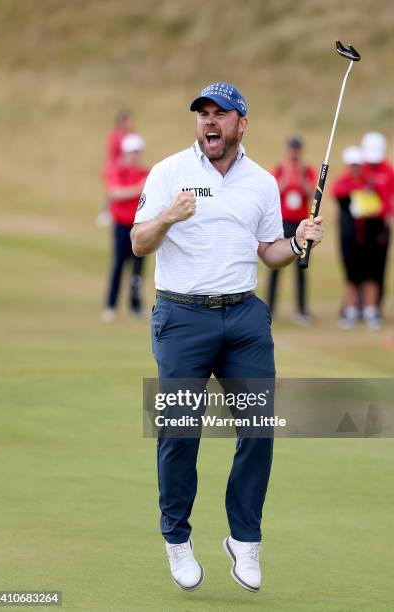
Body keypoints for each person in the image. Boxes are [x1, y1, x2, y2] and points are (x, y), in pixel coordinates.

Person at [131, 82, 323, 592]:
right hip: (181, 317)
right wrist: (169, 215)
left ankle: (244, 538)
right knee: (179, 433)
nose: (210, 122)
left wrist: (297, 241)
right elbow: (137, 241)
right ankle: (176, 538)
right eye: (203, 114)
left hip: (243, 319)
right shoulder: (169, 171)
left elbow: (270, 251)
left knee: (259, 428)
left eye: (221, 114)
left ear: (242, 123)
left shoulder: (261, 182)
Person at [267, 137, 316, 324]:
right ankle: (270, 309)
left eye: (297, 149)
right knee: (275, 266)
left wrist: (300, 177)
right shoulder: (280, 169)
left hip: (300, 223)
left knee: (301, 267)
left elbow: (310, 192)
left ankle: (301, 310)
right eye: (292, 149)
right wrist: (287, 178)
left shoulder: (306, 169)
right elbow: (274, 192)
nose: (294, 152)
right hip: (282, 222)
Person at [102, 134, 148, 322]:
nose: (134, 156)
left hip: (141, 226)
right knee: (119, 266)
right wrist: (138, 189)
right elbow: (115, 193)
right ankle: (110, 306)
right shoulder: (117, 172)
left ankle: (135, 307)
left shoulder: (145, 173)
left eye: (137, 152)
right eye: (131, 153)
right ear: (125, 153)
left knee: (138, 270)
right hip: (121, 227)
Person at [331, 146, 369, 328]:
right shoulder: (343, 183)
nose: (355, 168)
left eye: (357, 165)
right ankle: (350, 310)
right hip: (348, 235)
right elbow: (337, 193)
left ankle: (362, 308)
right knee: (351, 275)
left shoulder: (366, 182)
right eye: (352, 165)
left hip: (366, 236)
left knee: (365, 273)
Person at [360, 132, 394, 315]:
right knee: (359, 266)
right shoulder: (360, 168)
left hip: (381, 226)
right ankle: (357, 305)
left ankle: (375, 306)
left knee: (378, 267)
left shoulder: (388, 170)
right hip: (361, 225)